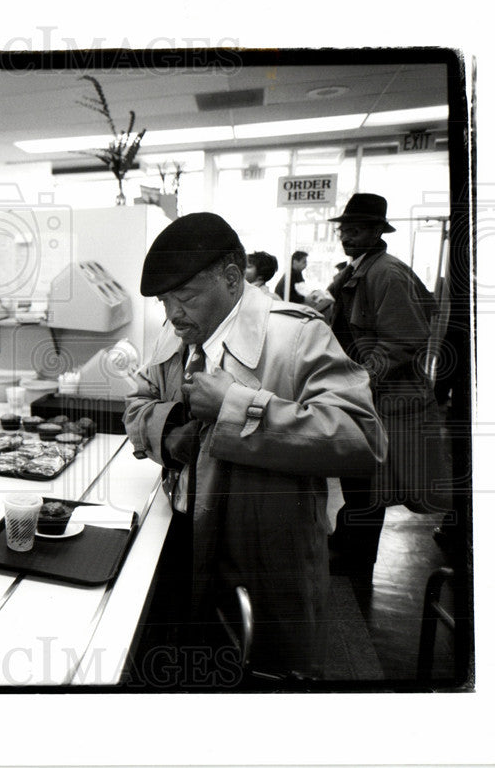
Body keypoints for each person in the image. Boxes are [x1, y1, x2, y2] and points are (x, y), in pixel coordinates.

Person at [124, 213, 384, 681]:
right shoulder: (176, 333)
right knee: (192, 661)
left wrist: (235, 407)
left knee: (266, 672)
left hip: (266, 547)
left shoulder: (297, 335)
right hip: (180, 531)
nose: (172, 314)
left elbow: (361, 437)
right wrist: (169, 432)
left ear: (230, 277)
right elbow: (138, 401)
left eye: (184, 298)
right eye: (165, 302)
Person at [326, 193, 447, 574]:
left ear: (378, 230)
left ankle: (356, 559)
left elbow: (403, 341)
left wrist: (360, 378)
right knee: (359, 480)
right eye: (344, 229)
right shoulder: (361, 269)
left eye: (356, 229)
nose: (346, 236)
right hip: (369, 398)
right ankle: (348, 548)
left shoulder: (385, 273)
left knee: (367, 485)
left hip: (384, 400)